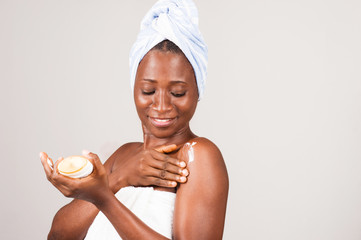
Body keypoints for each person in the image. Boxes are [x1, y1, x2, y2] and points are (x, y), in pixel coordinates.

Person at [40, 0, 229, 239]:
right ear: (133, 89)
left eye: (177, 93)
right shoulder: (124, 155)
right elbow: (58, 235)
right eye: (148, 91)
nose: (161, 106)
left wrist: (105, 199)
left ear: (198, 90)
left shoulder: (198, 156)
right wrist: (116, 179)